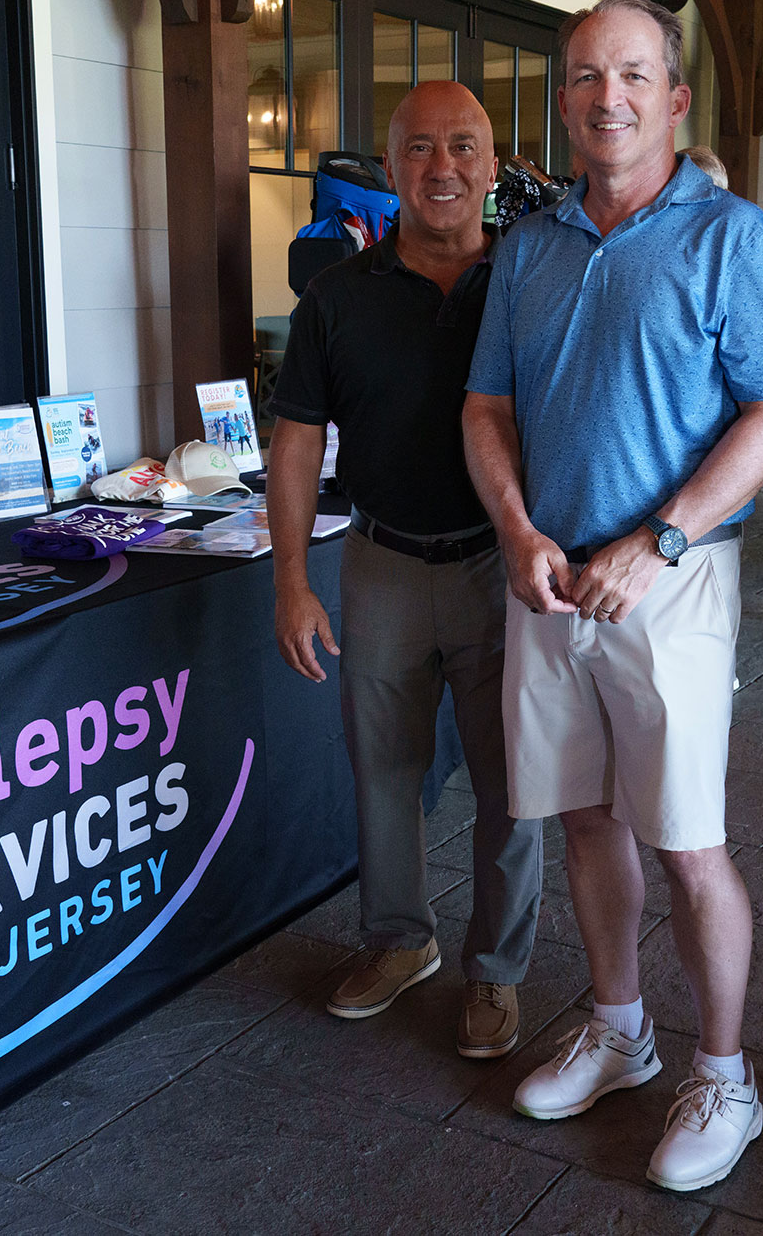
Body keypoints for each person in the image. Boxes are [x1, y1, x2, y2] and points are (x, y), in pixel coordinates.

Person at [462, 0, 763, 1192]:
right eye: (580, 77)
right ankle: (619, 1027)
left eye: (630, 75)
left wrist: (656, 539)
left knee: (689, 841)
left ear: (671, 97)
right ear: (562, 101)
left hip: (673, 582)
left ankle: (723, 1073)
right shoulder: (533, 244)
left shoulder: (735, 239)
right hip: (546, 581)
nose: (604, 97)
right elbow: (486, 408)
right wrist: (514, 532)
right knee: (581, 817)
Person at [268, 81, 542, 1060]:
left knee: (512, 779)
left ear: (491, 164)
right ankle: (398, 940)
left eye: (462, 146)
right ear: (389, 172)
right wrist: (290, 577)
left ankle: (497, 971)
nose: (441, 168)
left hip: (497, 566)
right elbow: (296, 442)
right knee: (382, 769)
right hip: (379, 561)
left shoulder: (527, 279)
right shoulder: (335, 297)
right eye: (418, 150)